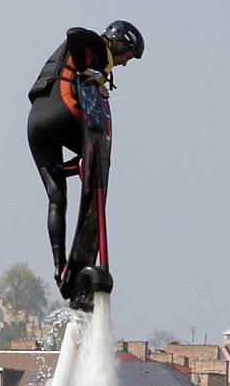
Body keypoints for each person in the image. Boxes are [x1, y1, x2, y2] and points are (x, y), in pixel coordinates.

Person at [27, 20, 144, 291]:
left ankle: (59, 268)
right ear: (119, 42)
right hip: (61, 112)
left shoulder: (99, 60)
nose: (125, 63)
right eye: (127, 56)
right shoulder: (97, 46)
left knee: (57, 197)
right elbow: (74, 34)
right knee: (98, 158)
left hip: (35, 124)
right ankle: (76, 166)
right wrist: (87, 71)